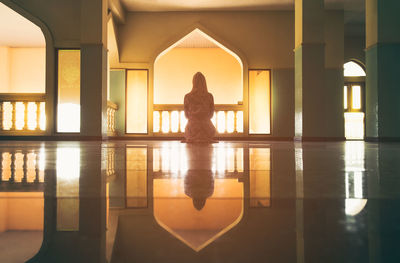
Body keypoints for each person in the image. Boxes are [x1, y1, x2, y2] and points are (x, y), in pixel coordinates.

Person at [183, 72, 216, 143]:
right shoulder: (209, 96)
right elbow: (211, 115)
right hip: (207, 129)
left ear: (193, 82)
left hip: (192, 129)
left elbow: (186, 115)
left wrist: (195, 117)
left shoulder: (187, 96)